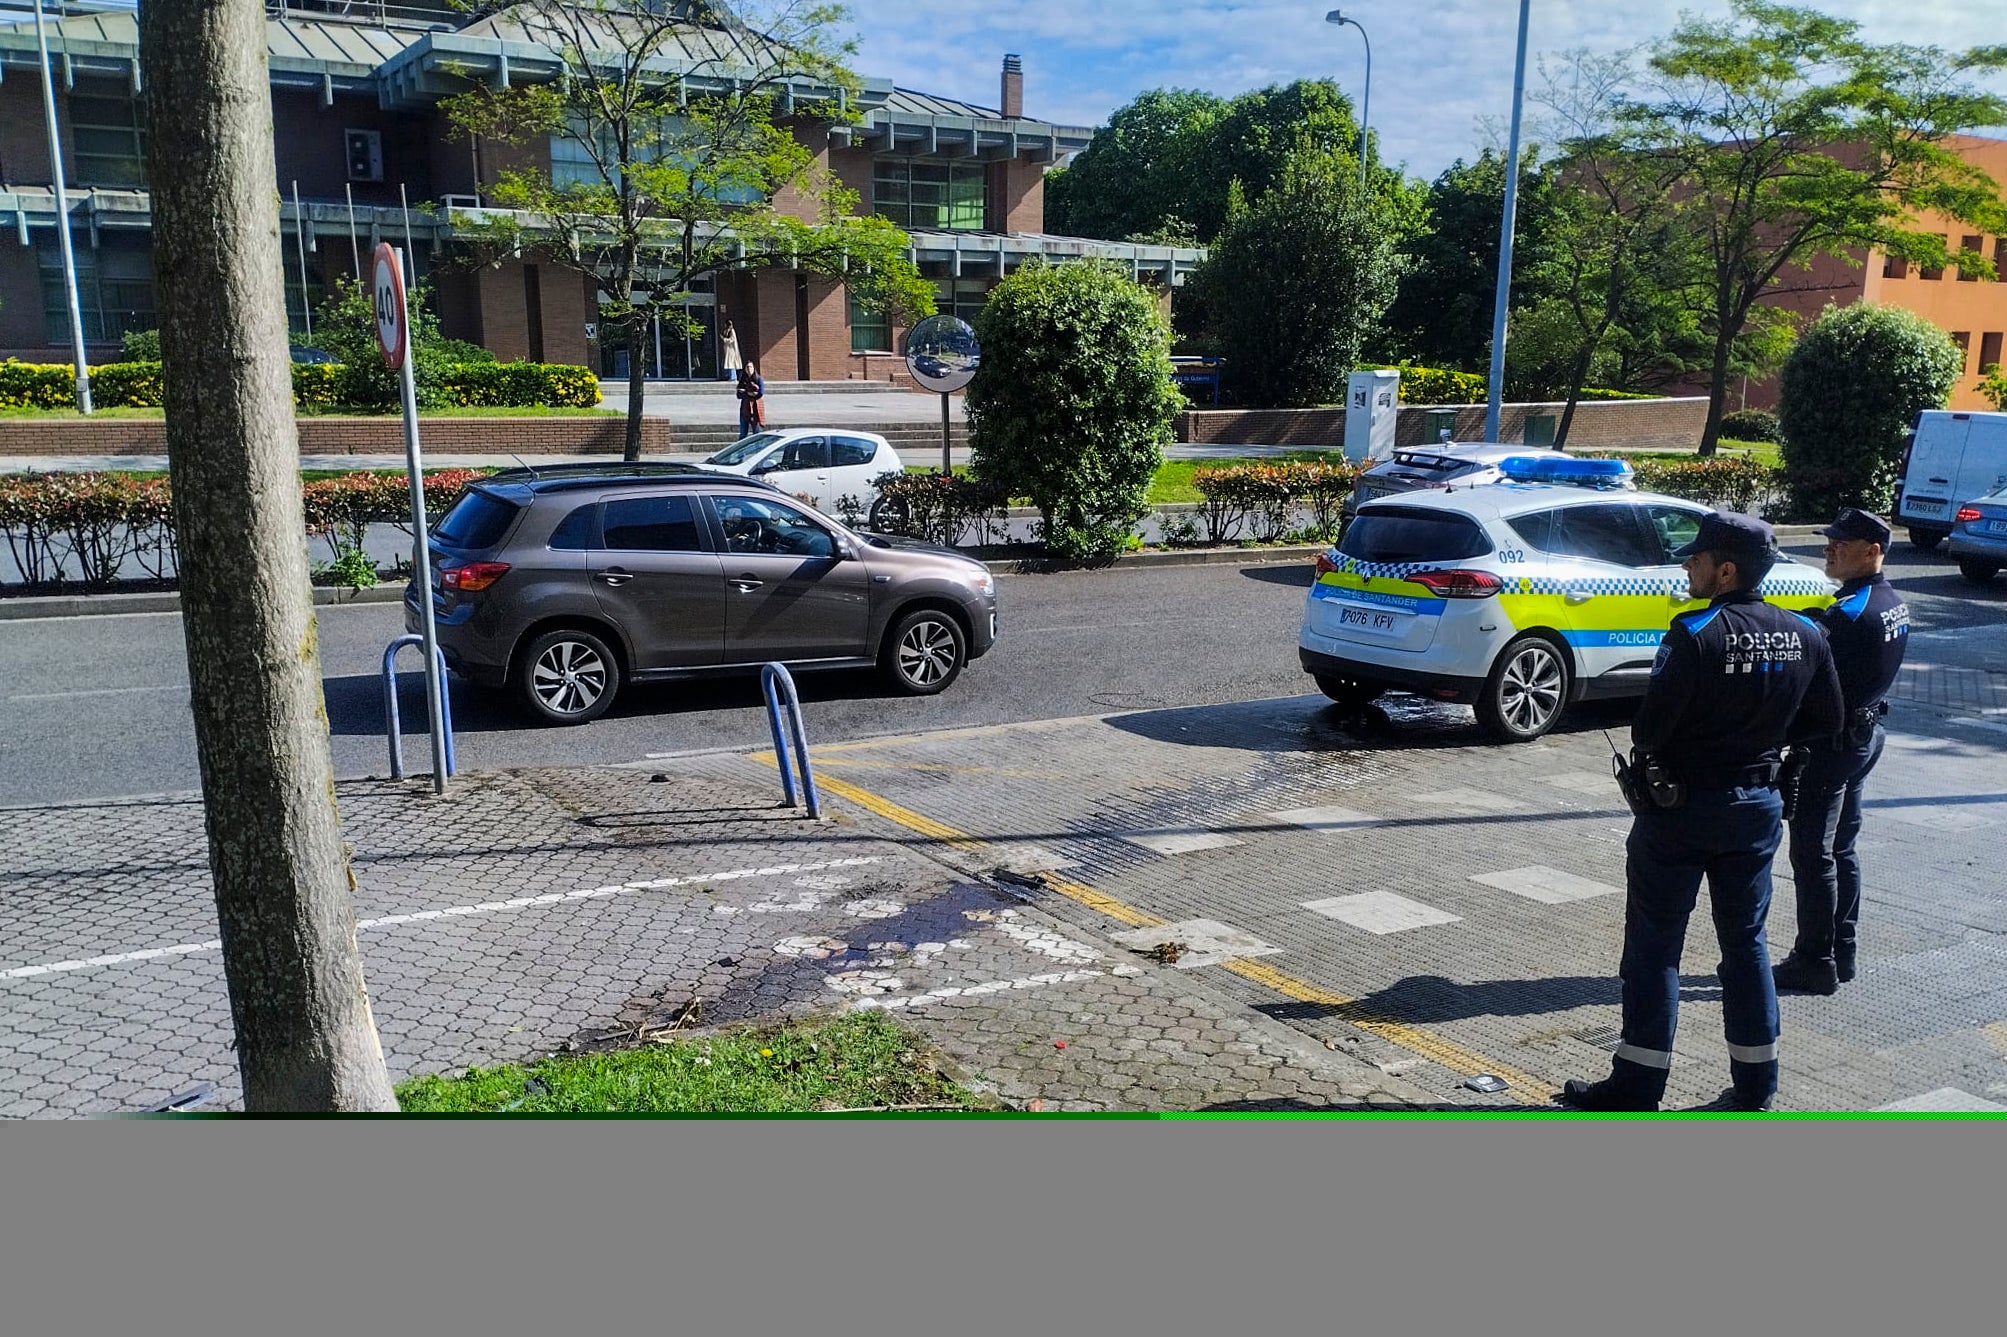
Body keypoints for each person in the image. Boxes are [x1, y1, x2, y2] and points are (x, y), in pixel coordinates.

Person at [1563, 512, 1844, 1113]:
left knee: (1655, 947)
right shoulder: (1806, 633)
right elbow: (1828, 721)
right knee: (1746, 945)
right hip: (1757, 807)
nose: (1685, 567)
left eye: (1695, 559)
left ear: (1725, 570)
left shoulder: (1694, 631)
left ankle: (1637, 1087)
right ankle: (1755, 1087)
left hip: (1681, 811)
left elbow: (1650, 728)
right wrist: (1769, 743)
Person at [1773, 509, 1910, 995]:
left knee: (1814, 855)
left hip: (1832, 748)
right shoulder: (1891, 601)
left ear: (1872, 552)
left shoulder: (1849, 614)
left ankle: (1814, 960)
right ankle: (1841, 952)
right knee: (1842, 849)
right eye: (1829, 540)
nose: (1829, 549)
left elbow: (1808, 681)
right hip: (1863, 737)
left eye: (1841, 544)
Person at [735, 362, 763, 439]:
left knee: (757, 432)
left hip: (755, 407)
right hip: (745, 407)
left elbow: (760, 393)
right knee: (743, 432)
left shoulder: (758, 379)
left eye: (750, 367)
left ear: (754, 368)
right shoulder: (743, 379)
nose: (749, 369)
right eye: (747, 367)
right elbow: (738, 395)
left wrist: (747, 393)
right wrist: (749, 393)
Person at [719, 317, 742, 382]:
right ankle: (730, 376)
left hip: (731, 350)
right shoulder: (727, 331)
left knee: (731, 362)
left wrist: (724, 339)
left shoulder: (732, 331)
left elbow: (732, 339)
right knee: (728, 363)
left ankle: (733, 377)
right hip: (727, 349)